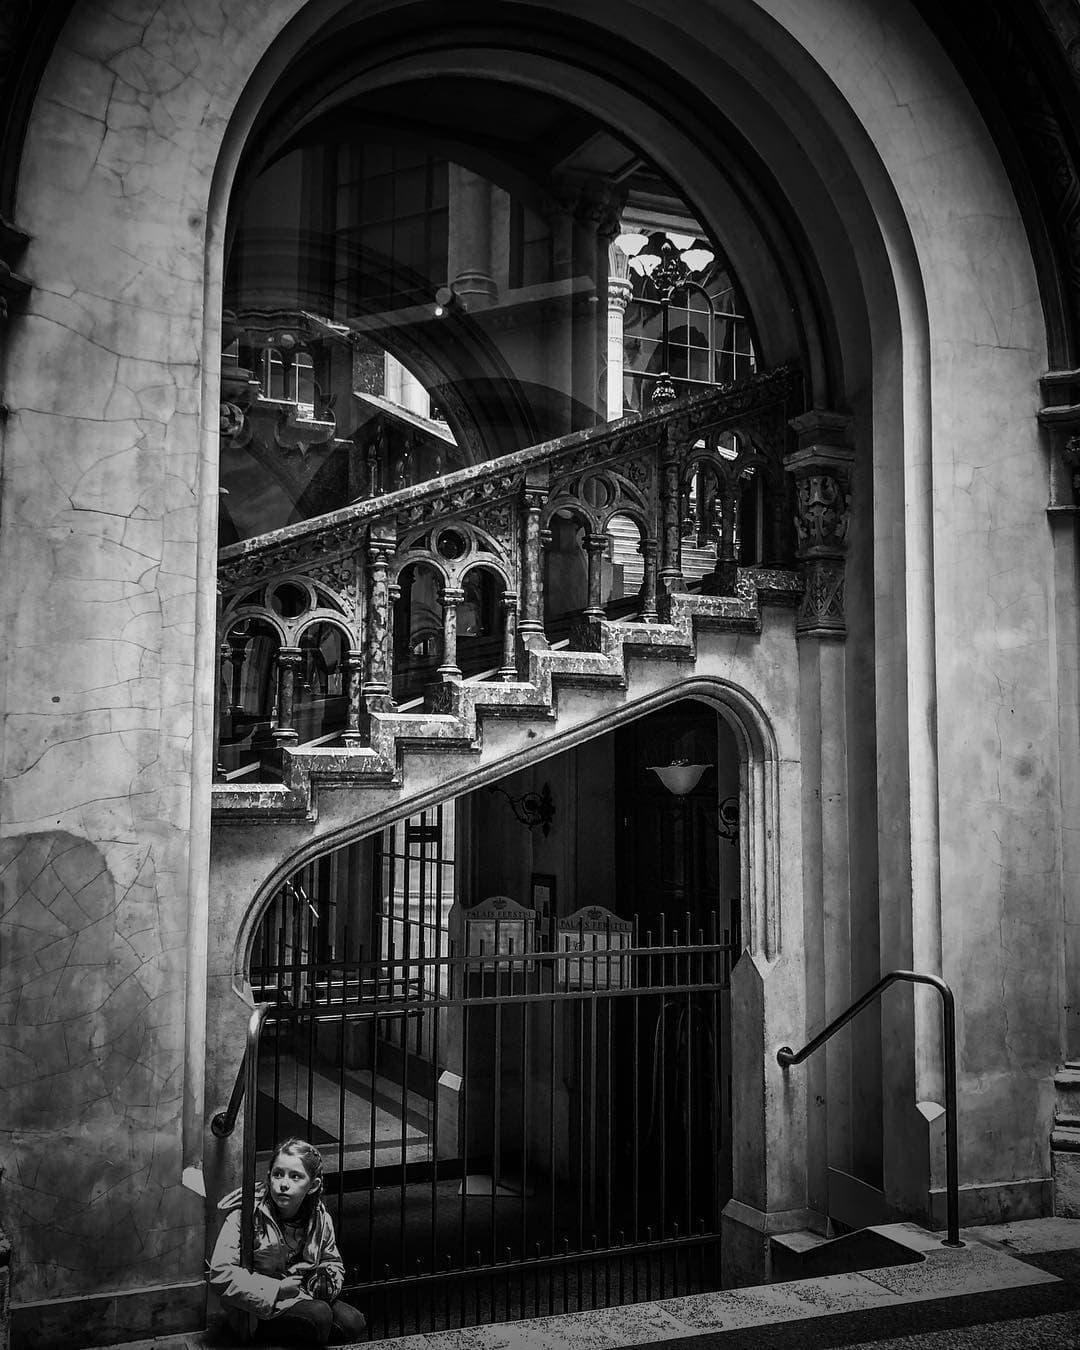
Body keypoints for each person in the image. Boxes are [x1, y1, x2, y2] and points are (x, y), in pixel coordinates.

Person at [209, 1138, 365, 1345]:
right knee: (319, 1315)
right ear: (269, 1177)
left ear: (312, 1185)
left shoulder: (319, 1217)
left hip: (303, 1294)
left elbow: (331, 1260)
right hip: (260, 1307)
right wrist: (276, 1290)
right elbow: (221, 1274)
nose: (283, 1183)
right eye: (278, 1174)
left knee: (352, 1321)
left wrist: (327, 1280)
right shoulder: (245, 1215)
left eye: (295, 1177)